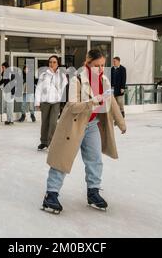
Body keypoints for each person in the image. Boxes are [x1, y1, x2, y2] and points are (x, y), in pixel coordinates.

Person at [41, 49, 127, 214]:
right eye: (97, 65)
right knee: (62, 159)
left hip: (92, 125)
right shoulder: (77, 79)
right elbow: (73, 106)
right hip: (74, 124)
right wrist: (93, 101)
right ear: (87, 63)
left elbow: (112, 101)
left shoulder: (104, 79)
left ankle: (93, 192)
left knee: (95, 159)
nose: (100, 69)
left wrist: (121, 123)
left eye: (103, 65)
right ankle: (51, 194)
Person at [35, 55, 68, 151]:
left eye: (54, 62)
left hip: (56, 103)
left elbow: (64, 89)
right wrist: (37, 102)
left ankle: (51, 143)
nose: (52, 64)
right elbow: (38, 89)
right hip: (45, 102)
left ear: (58, 64)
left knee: (53, 123)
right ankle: (44, 142)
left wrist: (62, 101)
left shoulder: (62, 75)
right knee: (44, 122)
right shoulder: (43, 74)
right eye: (50, 62)